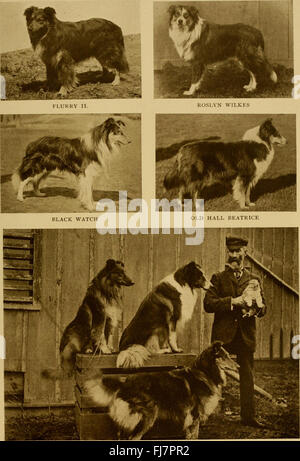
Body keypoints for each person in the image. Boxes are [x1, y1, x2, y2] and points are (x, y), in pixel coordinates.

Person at [203, 235, 267, 427]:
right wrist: (232, 302)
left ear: (245, 253)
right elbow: (208, 304)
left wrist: (255, 309)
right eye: (231, 251)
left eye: (238, 251)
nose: (234, 255)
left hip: (245, 335)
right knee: (211, 373)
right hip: (223, 336)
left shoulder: (254, 279)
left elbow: (264, 308)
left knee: (247, 375)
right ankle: (206, 412)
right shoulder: (218, 278)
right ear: (227, 253)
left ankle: (248, 417)